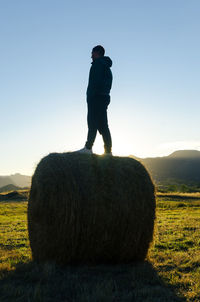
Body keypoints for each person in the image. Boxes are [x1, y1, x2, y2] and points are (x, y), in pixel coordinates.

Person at [77, 45, 113, 156]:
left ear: (97, 53)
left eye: (92, 53)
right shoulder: (106, 67)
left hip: (96, 98)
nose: (91, 56)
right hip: (103, 97)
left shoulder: (97, 64)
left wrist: (91, 96)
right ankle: (108, 151)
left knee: (92, 122)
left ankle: (88, 148)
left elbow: (95, 82)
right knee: (103, 125)